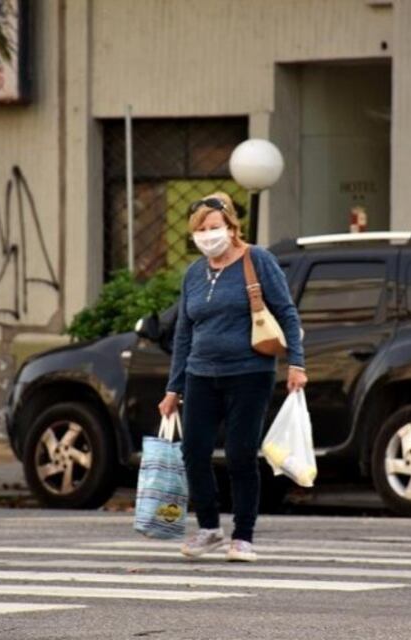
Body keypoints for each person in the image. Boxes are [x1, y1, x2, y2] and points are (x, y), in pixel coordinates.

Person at [158, 191, 306, 563]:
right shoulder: (194, 273)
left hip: (249, 373)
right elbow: (183, 334)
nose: (208, 235)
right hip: (200, 375)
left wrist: (297, 364)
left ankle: (243, 536)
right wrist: (173, 388)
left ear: (231, 226)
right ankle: (209, 527)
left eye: (214, 227)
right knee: (194, 451)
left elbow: (287, 313)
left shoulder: (257, 260)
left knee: (240, 454)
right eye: (200, 230)